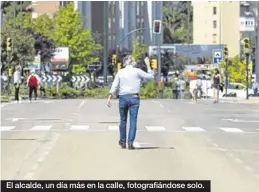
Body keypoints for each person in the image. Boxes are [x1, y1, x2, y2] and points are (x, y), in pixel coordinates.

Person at [107, 55, 154, 150]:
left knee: (123, 120)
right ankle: (130, 142)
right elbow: (151, 77)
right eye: (133, 60)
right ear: (130, 62)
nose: (135, 62)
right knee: (133, 121)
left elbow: (115, 85)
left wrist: (110, 96)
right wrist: (148, 66)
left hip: (123, 97)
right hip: (134, 97)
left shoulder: (120, 72)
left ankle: (122, 141)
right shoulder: (137, 71)